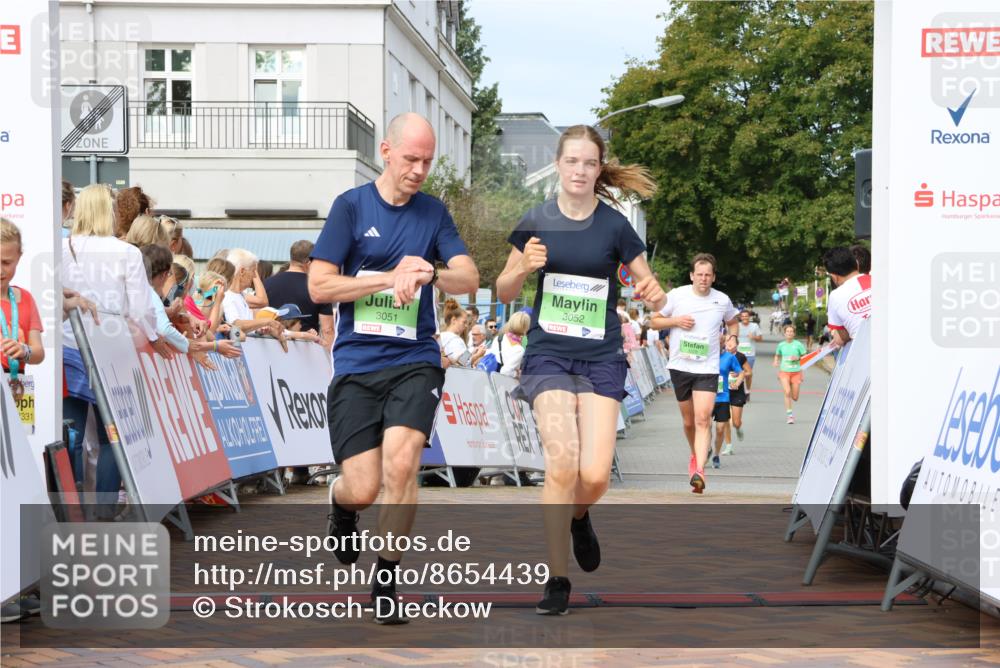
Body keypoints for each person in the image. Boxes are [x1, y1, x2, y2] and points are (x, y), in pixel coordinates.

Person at [307, 113, 479, 624]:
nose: (420, 170)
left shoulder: (432, 213)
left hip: (414, 360)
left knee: (403, 465)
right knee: (362, 486)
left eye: (427, 161)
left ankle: (386, 578)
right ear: (386, 150)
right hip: (358, 363)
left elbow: (467, 275)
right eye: (411, 159)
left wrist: (431, 270)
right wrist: (387, 278)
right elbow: (320, 287)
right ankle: (341, 504)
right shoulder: (351, 207)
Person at [496, 123, 665, 616]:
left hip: (600, 356)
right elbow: (505, 291)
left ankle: (579, 514)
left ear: (598, 168)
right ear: (559, 164)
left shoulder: (614, 225)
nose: (580, 170)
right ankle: (557, 579)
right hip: (548, 353)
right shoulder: (536, 219)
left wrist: (652, 292)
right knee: (562, 462)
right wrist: (523, 268)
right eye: (572, 161)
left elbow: (647, 282)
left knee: (593, 475)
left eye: (590, 163)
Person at [62, 185, 160, 517]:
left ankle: (69, 510)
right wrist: (145, 338)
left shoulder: (58, 249)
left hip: (66, 349)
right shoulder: (127, 253)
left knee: (69, 435)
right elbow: (142, 311)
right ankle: (103, 510)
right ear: (110, 211)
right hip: (111, 352)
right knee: (111, 436)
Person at [651, 253, 739, 495]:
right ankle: (695, 454)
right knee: (689, 422)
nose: (703, 278)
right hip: (680, 366)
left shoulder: (722, 300)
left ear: (713, 277)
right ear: (692, 275)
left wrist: (732, 337)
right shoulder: (677, 295)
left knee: (703, 419)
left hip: (707, 369)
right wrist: (676, 321)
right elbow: (653, 321)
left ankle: (700, 470)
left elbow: (733, 321)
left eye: (707, 275)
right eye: (699, 274)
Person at [1, 220, 45, 409]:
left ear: (19, 257)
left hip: (17, 386)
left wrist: (24, 351)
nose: (0, 270)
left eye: (6, 262)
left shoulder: (25, 299)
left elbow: (38, 352)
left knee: (18, 437)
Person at [265, 241, 336, 350]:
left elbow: (257, 318)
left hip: (271, 346)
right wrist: (330, 355)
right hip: (307, 350)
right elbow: (328, 329)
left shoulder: (267, 283)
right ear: (309, 263)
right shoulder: (319, 288)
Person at [223, 249, 283, 341]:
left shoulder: (240, 295)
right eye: (253, 271)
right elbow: (236, 325)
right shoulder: (227, 296)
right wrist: (266, 321)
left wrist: (258, 330)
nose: (254, 276)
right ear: (242, 271)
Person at [823, 246, 871, 346]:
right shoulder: (878, 279)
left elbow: (842, 338)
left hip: (863, 350)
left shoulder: (835, 296)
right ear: (857, 265)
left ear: (834, 277)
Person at [711, 336, 745, 469]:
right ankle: (706, 448)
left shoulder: (729, 357)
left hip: (723, 397)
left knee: (720, 429)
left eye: (720, 342)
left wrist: (737, 382)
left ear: (723, 343)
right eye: (715, 341)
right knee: (705, 427)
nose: (718, 344)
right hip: (706, 397)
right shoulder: (706, 356)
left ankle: (715, 454)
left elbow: (741, 372)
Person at [722, 334, 751, 450]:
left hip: (737, 392)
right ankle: (728, 446)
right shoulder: (720, 356)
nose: (729, 342)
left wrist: (740, 374)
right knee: (724, 420)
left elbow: (749, 372)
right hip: (723, 391)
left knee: (735, 422)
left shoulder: (740, 357)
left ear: (737, 344)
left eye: (732, 341)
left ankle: (738, 428)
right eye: (727, 340)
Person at [774, 324, 807, 424]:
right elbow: (777, 355)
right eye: (787, 331)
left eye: (791, 331)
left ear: (794, 334)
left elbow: (805, 357)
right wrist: (776, 361)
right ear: (784, 333)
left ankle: (793, 387)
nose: (789, 333)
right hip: (784, 372)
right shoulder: (781, 345)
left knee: (795, 397)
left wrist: (797, 358)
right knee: (787, 392)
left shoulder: (798, 344)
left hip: (796, 372)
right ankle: (790, 416)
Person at [489, 311, 530, 378]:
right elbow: (505, 372)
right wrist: (517, 374)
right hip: (505, 383)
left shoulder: (499, 338)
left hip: (490, 377)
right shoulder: (519, 349)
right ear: (525, 328)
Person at [440, 298, 475, 367]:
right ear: (454, 320)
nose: (466, 326)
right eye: (464, 322)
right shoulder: (454, 339)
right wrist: (472, 352)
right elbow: (462, 361)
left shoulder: (440, 336)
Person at [736, 310, 763, 393]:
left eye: (746, 316)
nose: (744, 317)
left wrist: (753, 337)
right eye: (743, 316)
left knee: (748, 374)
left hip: (750, 354)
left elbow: (760, 339)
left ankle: (747, 391)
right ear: (740, 317)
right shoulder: (737, 326)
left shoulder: (754, 326)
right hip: (738, 354)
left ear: (749, 317)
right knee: (737, 372)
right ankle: (738, 390)